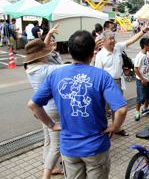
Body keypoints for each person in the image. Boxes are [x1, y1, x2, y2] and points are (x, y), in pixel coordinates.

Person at [27, 30, 128, 179]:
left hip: (69, 148)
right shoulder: (102, 77)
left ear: (69, 50)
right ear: (92, 53)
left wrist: (52, 125)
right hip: (96, 146)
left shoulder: (56, 75)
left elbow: (33, 105)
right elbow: (121, 110)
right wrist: (115, 126)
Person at [95, 24, 149, 135]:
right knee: (104, 108)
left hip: (118, 81)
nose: (113, 41)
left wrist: (142, 31)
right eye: (110, 39)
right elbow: (98, 74)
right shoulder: (100, 55)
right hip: (106, 84)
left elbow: (131, 41)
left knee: (118, 107)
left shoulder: (118, 47)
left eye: (113, 38)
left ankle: (117, 128)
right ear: (104, 41)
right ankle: (104, 129)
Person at [24, 26, 64, 179]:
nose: (47, 53)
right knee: (56, 146)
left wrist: (48, 36)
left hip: (41, 110)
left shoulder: (30, 68)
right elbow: (67, 68)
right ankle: (46, 175)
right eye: (45, 53)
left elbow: (40, 49)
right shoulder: (47, 70)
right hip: (53, 109)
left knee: (48, 140)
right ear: (40, 56)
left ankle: (48, 165)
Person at [134, 37, 149, 121]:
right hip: (141, 81)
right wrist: (142, 79)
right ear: (145, 46)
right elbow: (136, 69)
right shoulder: (139, 56)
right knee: (141, 97)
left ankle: (145, 108)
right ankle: (137, 112)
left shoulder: (148, 55)